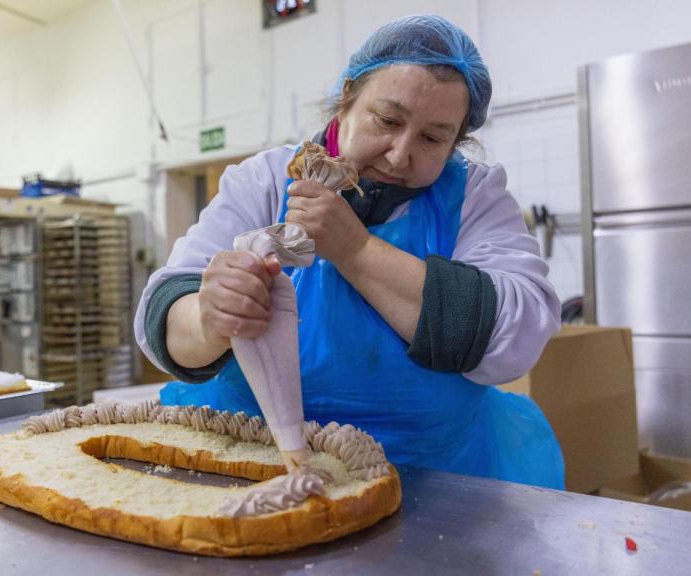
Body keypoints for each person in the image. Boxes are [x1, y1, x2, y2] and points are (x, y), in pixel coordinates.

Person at [135, 15, 564, 488]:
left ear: (457, 141)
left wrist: (354, 249)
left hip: (423, 479)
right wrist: (209, 318)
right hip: (249, 465)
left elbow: (515, 336)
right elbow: (163, 314)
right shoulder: (266, 181)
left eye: (432, 138)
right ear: (346, 102)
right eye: (387, 120)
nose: (400, 155)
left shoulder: (475, 199)